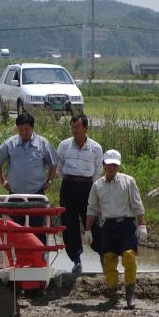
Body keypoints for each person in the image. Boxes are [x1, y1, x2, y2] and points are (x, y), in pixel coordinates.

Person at [85, 149, 148, 309]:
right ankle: (112, 295)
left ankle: (129, 295)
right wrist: (87, 230)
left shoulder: (129, 182)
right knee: (109, 260)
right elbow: (91, 209)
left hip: (126, 225)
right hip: (108, 227)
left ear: (118, 166)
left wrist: (141, 225)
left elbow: (137, 205)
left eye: (115, 165)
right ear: (103, 165)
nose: (111, 168)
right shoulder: (97, 186)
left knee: (129, 257)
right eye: (108, 165)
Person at [55, 113, 104, 274]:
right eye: (72, 127)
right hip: (68, 187)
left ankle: (104, 254)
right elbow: (59, 168)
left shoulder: (95, 148)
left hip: (88, 187)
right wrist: (71, 180)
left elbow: (98, 171)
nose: (74, 130)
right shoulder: (64, 145)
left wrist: (91, 187)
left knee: (93, 222)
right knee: (69, 224)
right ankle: (76, 260)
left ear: (86, 128)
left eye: (77, 127)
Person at [0, 112, 59, 226]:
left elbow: (53, 163)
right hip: (15, 195)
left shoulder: (43, 144)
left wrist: (49, 181)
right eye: (20, 129)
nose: (23, 133)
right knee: (15, 230)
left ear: (32, 128)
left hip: (36, 196)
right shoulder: (10, 144)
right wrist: (2, 180)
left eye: (27, 129)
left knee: (37, 230)